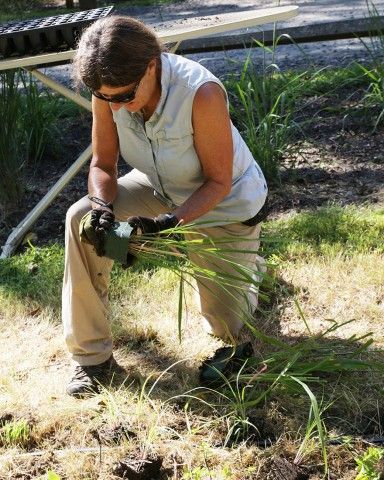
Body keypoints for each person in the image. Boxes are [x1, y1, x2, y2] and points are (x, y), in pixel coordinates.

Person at [63, 15, 268, 397]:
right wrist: (102, 208)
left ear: (152, 66)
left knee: (227, 329)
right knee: (81, 221)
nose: (117, 108)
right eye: (107, 98)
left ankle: (250, 266)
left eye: (125, 96)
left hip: (223, 203)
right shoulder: (108, 88)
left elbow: (219, 182)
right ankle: (92, 359)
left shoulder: (201, 92)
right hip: (161, 191)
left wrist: (167, 224)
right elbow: (103, 164)